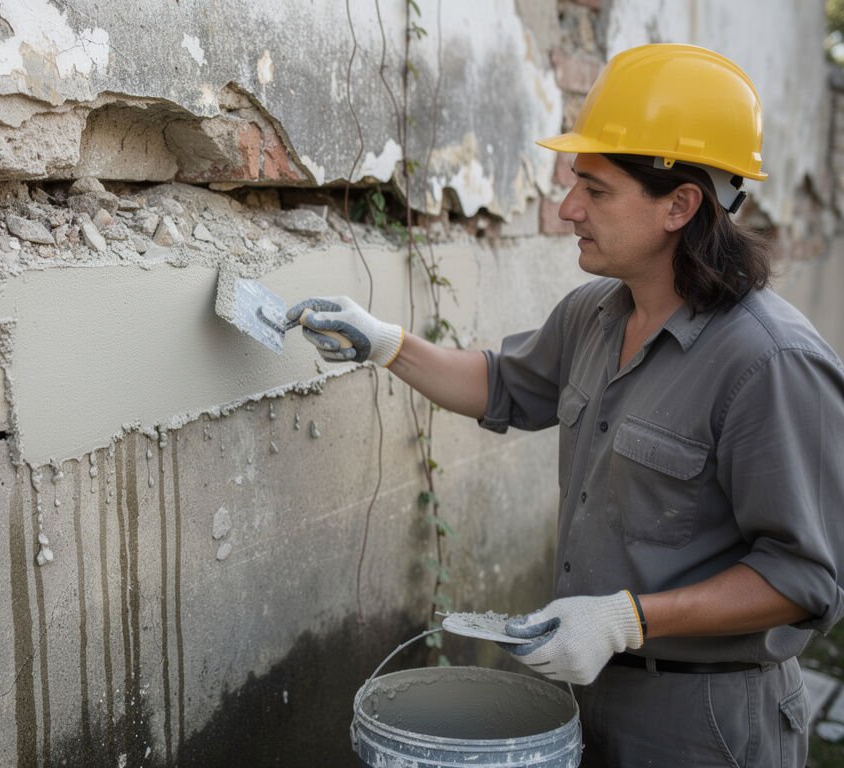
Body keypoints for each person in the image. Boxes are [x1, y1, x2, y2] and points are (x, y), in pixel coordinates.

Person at [289, 43, 844, 767]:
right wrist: (387, 344)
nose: (567, 208)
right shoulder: (596, 313)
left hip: (707, 719)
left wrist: (625, 620)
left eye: (597, 190)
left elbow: (804, 580)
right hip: (589, 695)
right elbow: (503, 384)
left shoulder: (769, 362)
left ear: (681, 205)